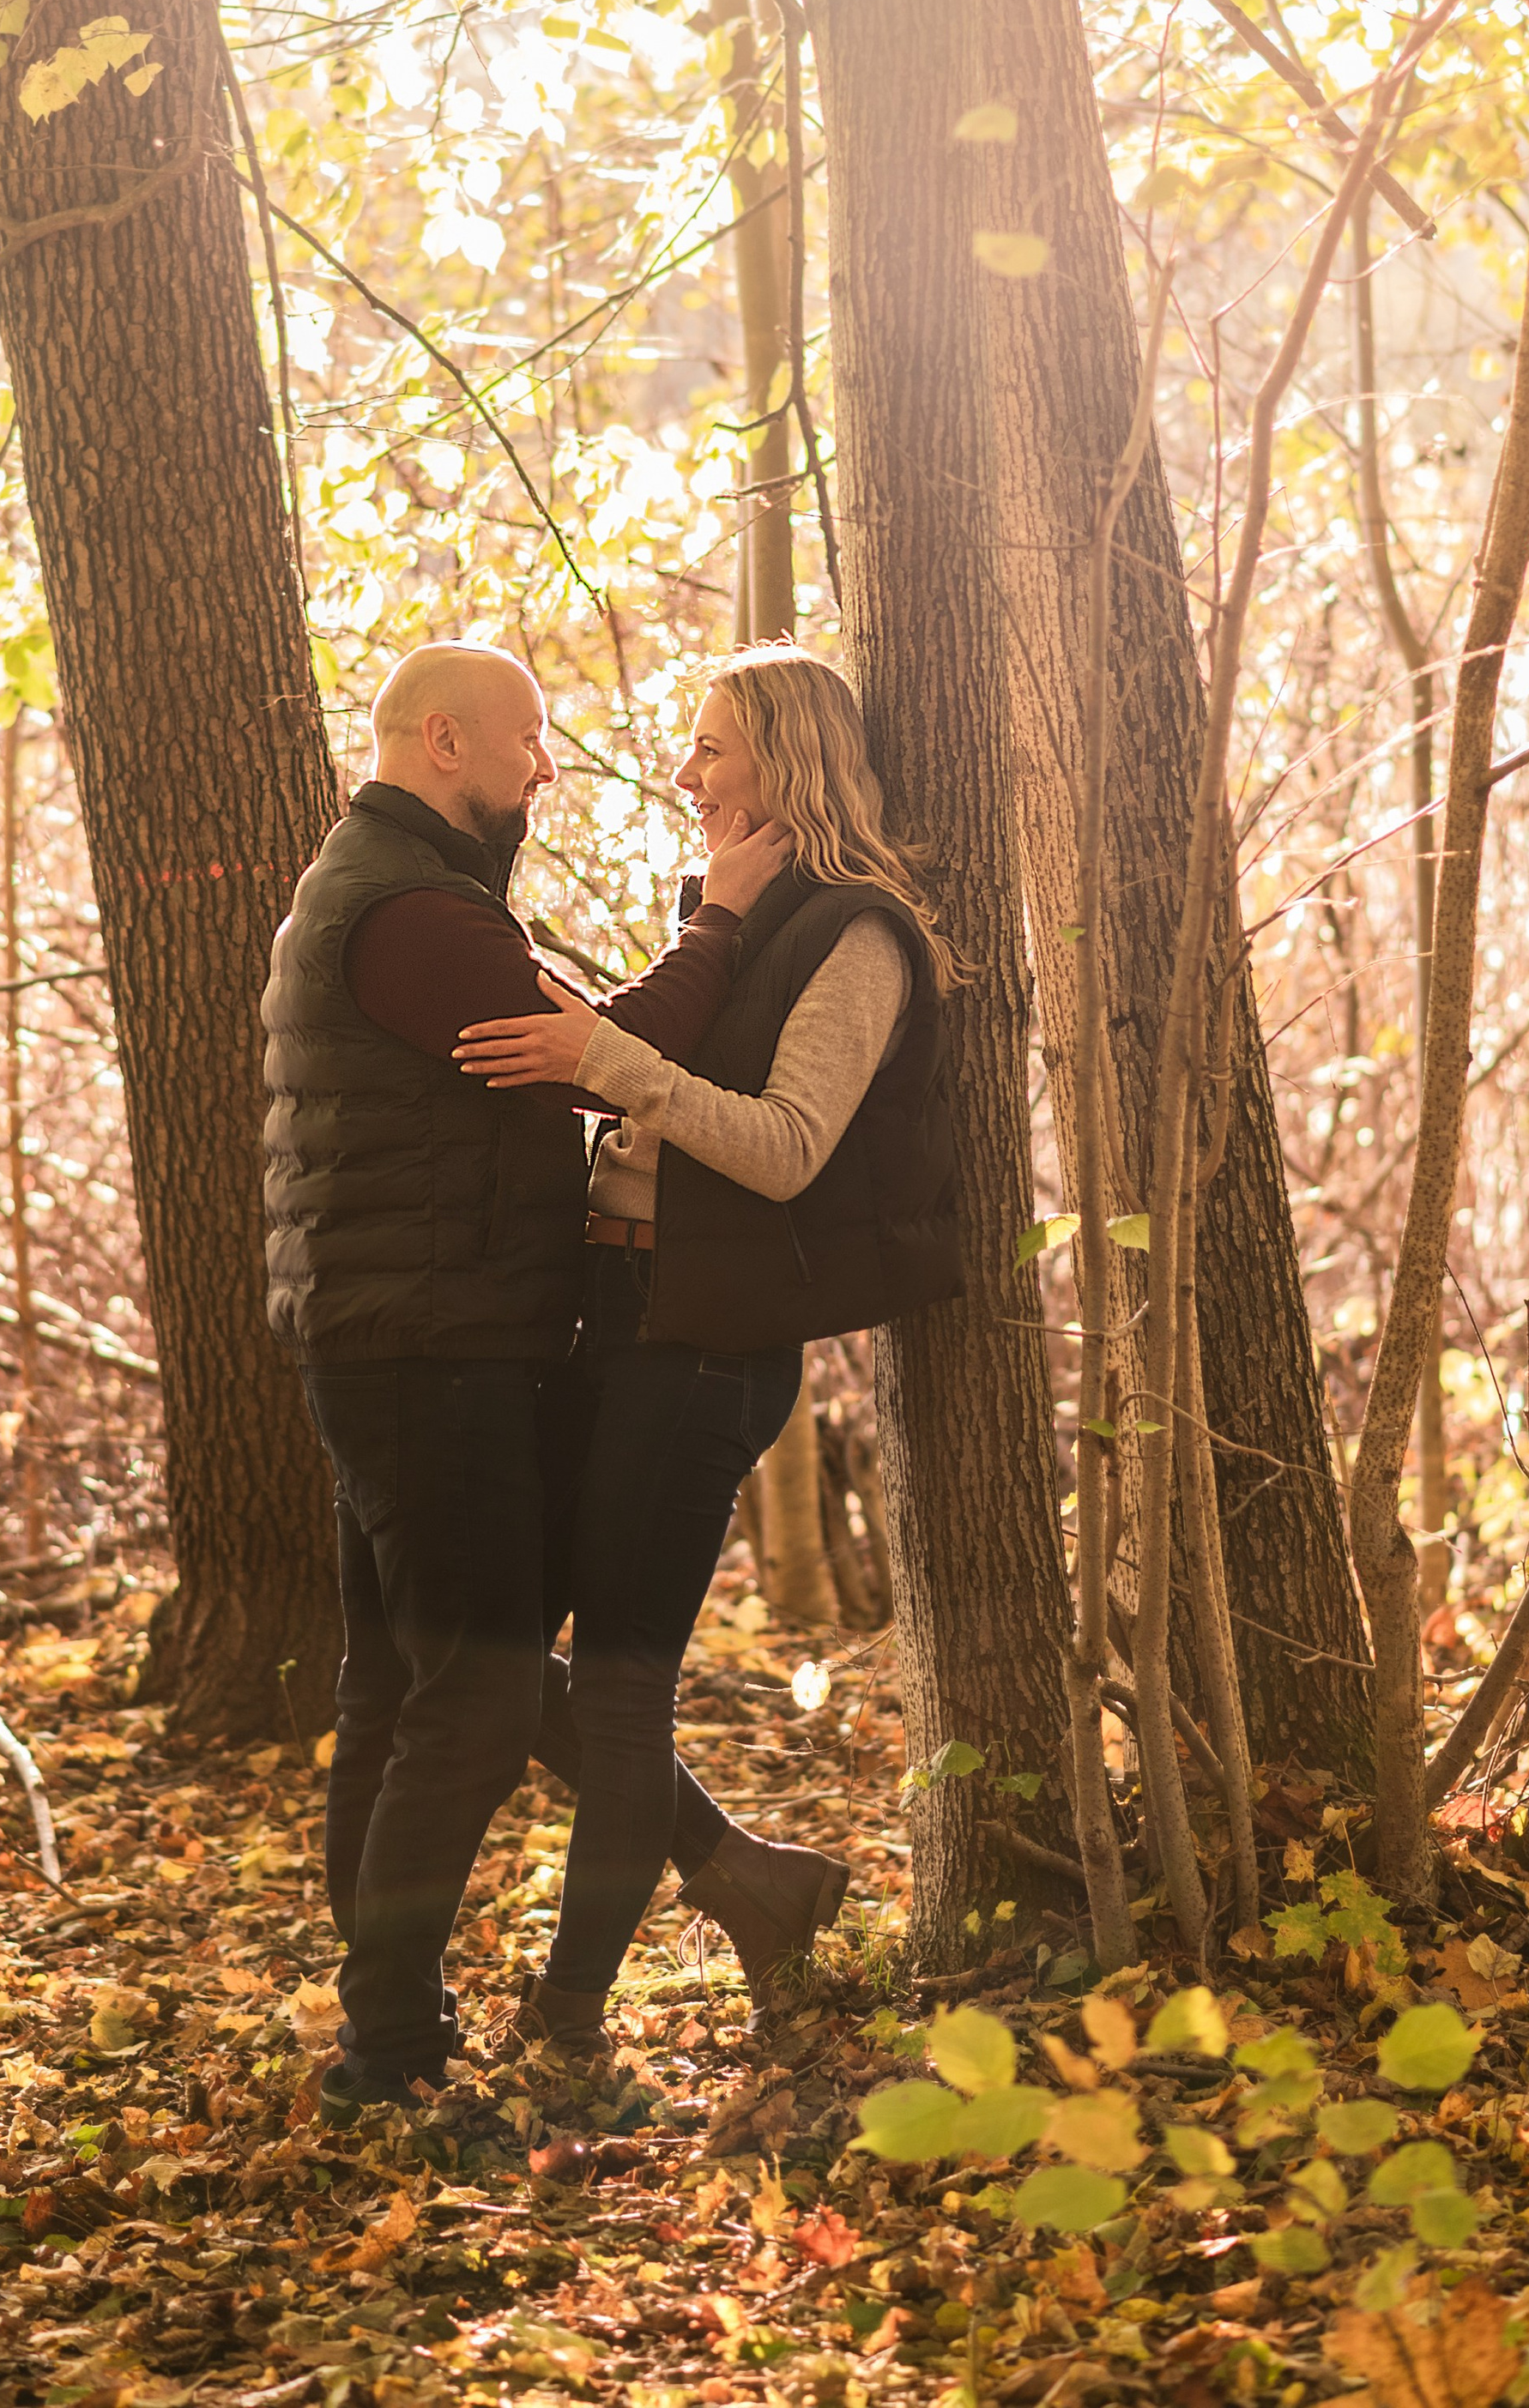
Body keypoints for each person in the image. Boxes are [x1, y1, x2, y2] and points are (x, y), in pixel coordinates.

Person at [262, 643, 831, 2115]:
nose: (547, 763)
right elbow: (609, 1057)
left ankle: (398, 2023)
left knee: (404, 1685)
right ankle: (390, 2050)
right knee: (476, 1693)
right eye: (528, 738)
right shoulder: (410, 914)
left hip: (409, 1342)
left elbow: (583, 1037)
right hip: (427, 1354)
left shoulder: (408, 893)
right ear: (444, 741)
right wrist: (721, 922)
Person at [454, 645, 961, 2045]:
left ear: (786, 764)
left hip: (703, 1351)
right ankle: (746, 1874)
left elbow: (787, 1150)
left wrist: (604, 1063)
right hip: (607, 1320)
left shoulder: (861, 937)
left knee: (622, 1689)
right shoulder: (732, 912)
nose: (685, 774)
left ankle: (567, 2019)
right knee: (493, 1654)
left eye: (712, 747)